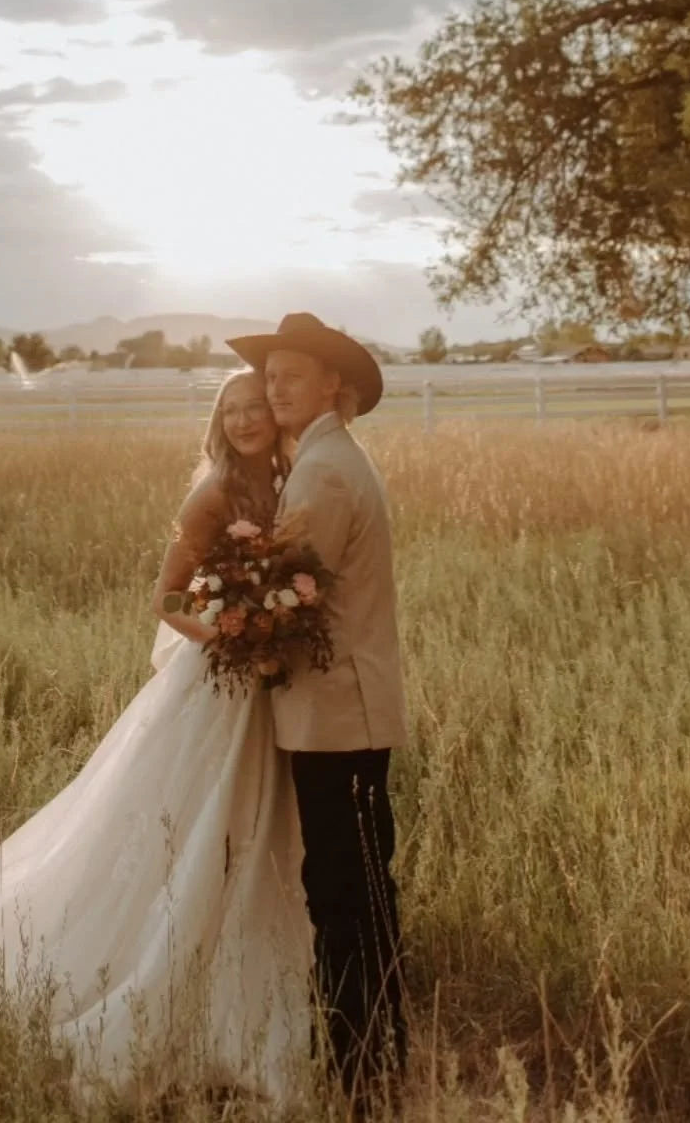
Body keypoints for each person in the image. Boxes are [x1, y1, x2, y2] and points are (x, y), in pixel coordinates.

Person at [0, 369, 313, 1102]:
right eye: (235, 410)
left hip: (264, 688)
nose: (248, 419)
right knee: (189, 823)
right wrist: (222, 633)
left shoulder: (286, 481)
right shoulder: (213, 492)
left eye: (257, 407)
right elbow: (165, 596)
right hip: (219, 681)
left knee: (254, 827)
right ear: (219, 422)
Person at [227, 313, 411, 1110]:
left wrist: (235, 629)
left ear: (333, 385)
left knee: (344, 889)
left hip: (341, 715)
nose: (274, 389)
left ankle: (361, 1067)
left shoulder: (325, 473)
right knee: (358, 885)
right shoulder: (323, 460)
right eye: (269, 377)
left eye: (290, 376)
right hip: (343, 713)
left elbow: (288, 597)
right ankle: (374, 1052)